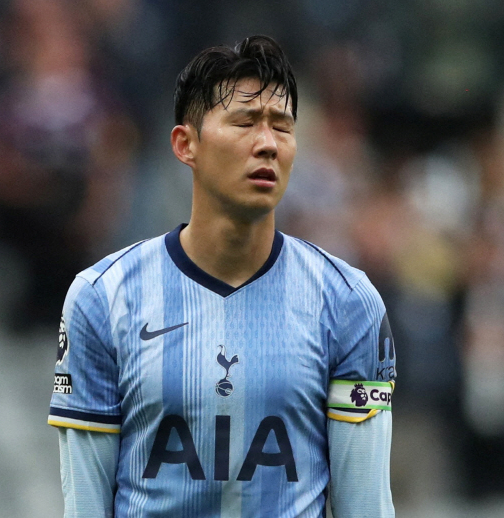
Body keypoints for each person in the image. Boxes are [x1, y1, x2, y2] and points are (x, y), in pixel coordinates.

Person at [48, 35, 396, 517]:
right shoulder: (102, 299)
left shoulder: (349, 302)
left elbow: (367, 507)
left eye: (282, 127)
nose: (268, 144)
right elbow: (85, 506)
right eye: (245, 122)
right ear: (185, 144)